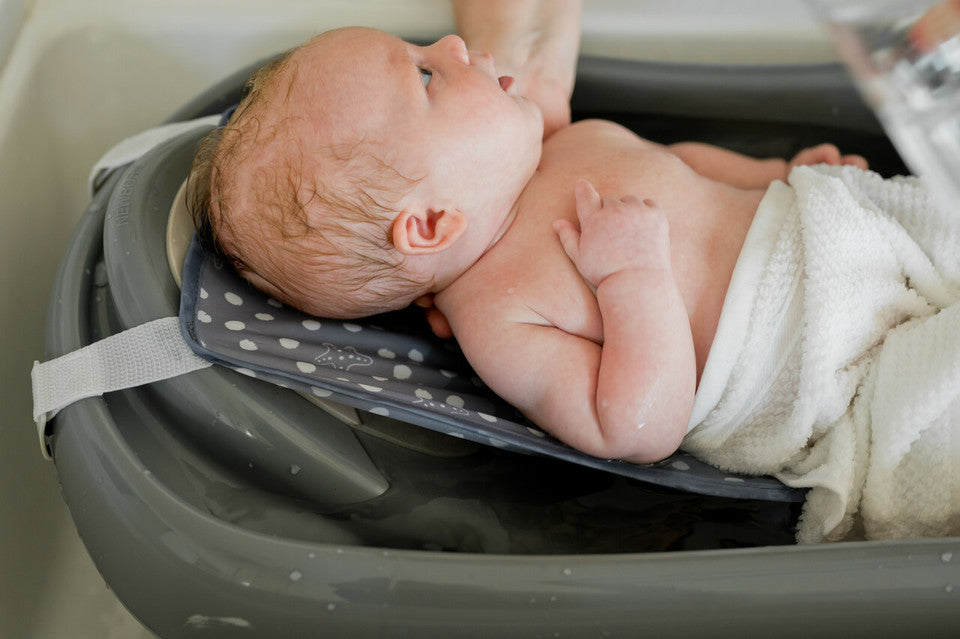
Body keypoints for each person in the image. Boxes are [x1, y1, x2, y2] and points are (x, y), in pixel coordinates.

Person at [189, 27, 959, 541]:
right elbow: (635, 426)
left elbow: (684, 165)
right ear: (429, 225)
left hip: (860, 234)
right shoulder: (498, 312)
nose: (455, 40)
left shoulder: (568, 142)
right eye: (425, 74)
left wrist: (784, 176)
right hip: (831, 375)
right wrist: (633, 279)